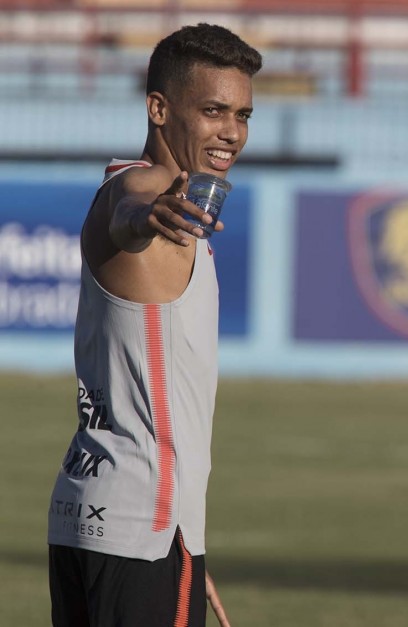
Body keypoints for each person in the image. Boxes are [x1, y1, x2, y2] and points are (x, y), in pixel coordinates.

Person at [47, 23, 262, 627]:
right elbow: (129, 213)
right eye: (214, 110)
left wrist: (184, 542)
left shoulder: (123, 183)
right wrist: (150, 215)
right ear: (158, 108)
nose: (232, 132)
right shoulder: (148, 189)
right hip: (142, 521)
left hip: (93, 520)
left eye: (243, 113)